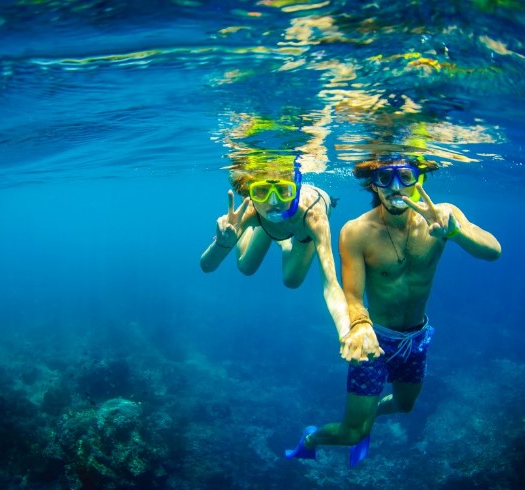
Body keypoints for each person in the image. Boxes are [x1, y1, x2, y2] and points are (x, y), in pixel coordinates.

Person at [285, 155, 502, 467]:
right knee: (351, 433)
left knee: (404, 404)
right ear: (374, 183)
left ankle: (366, 419)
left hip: (416, 339)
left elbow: (493, 251)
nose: (396, 186)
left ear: (419, 178)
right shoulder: (357, 231)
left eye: (406, 175)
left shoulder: (443, 216)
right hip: (374, 340)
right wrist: (359, 324)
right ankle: (311, 438)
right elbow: (353, 296)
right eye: (385, 178)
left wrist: (456, 232)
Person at [200, 162, 354, 343]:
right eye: (262, 191)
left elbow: (331, 285)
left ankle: (284, 243)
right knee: (245, 266)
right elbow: (206, 266)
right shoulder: (252, 209)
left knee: (292, 281)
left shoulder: (313, 216)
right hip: (264, 220)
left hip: (301, 229)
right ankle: (266, 231)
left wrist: (346, 332)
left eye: (283, 191)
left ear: (295, 190)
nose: (273, 202)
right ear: (251, 194)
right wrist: (221, 244)